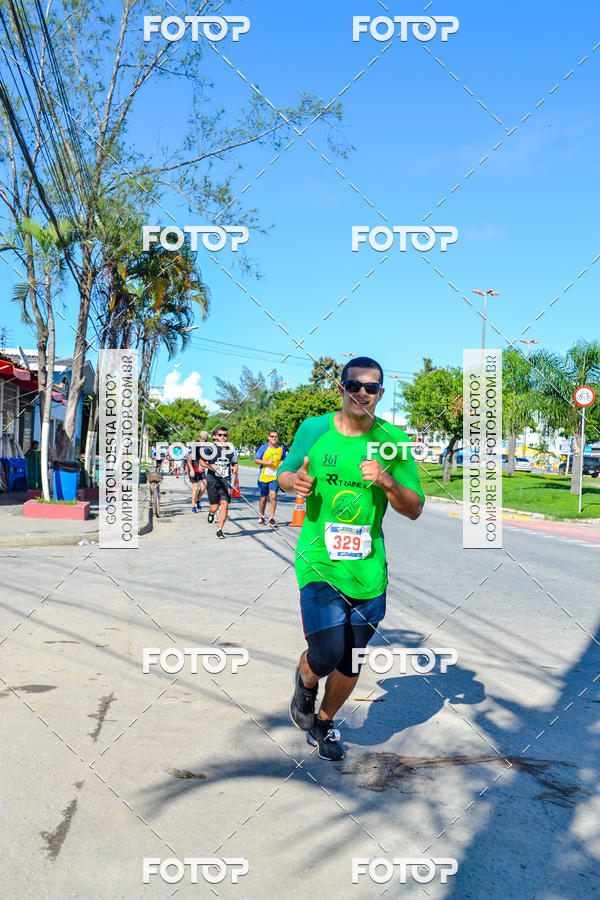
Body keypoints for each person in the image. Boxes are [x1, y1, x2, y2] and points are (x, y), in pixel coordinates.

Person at [278, 356, 424, 761]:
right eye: (354, 385)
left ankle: (324, 722)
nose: (362, 392)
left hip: (368, 570)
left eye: (371, 387)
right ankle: (305, 682)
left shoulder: (392, 441)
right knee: (325, 653)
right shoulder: (314, 428)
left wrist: (387, 479)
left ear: (380, 393)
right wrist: (296, 482)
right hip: (319, 562)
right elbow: (284, 475)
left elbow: (413, 508)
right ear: (341, 389)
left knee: (351, 659)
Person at [201, 426, 238, 539]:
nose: (222, 437)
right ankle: (212, 513)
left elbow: (234, 462)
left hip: (225, 481)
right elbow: (201, 461)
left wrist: (235, 467)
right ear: (216, 436)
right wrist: (210, 466)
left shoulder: (231, 448)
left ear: (228, 436)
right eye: (220, 435)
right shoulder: (211, 448)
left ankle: (220, 529)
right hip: (212, 480)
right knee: (214, 506)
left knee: (225, 504)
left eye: (225, 435)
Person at [254, 429, 286, 527]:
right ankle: (262, 516)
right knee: (263, 498)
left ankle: (271, 517)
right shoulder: (263, 448)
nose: (274, 438)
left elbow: (283, 458)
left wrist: (281, 462)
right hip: (263, 477)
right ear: (268, 437)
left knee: (273, 495)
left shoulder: (281, 448)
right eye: (272, 436)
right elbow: (256, 460)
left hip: (274, 477)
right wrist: (266, 462)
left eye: (275, 436)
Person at [187, 429, 209, 513]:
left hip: (200, 468)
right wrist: (191, 470)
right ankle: (193, 506)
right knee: (195, 487)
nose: (204, 440)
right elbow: (189, 457)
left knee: (204, 486)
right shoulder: (195, 446)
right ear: (200, 438)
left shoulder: (205, 447)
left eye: (205, 439)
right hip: (193, 468)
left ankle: (198, 500)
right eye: (203, 438)